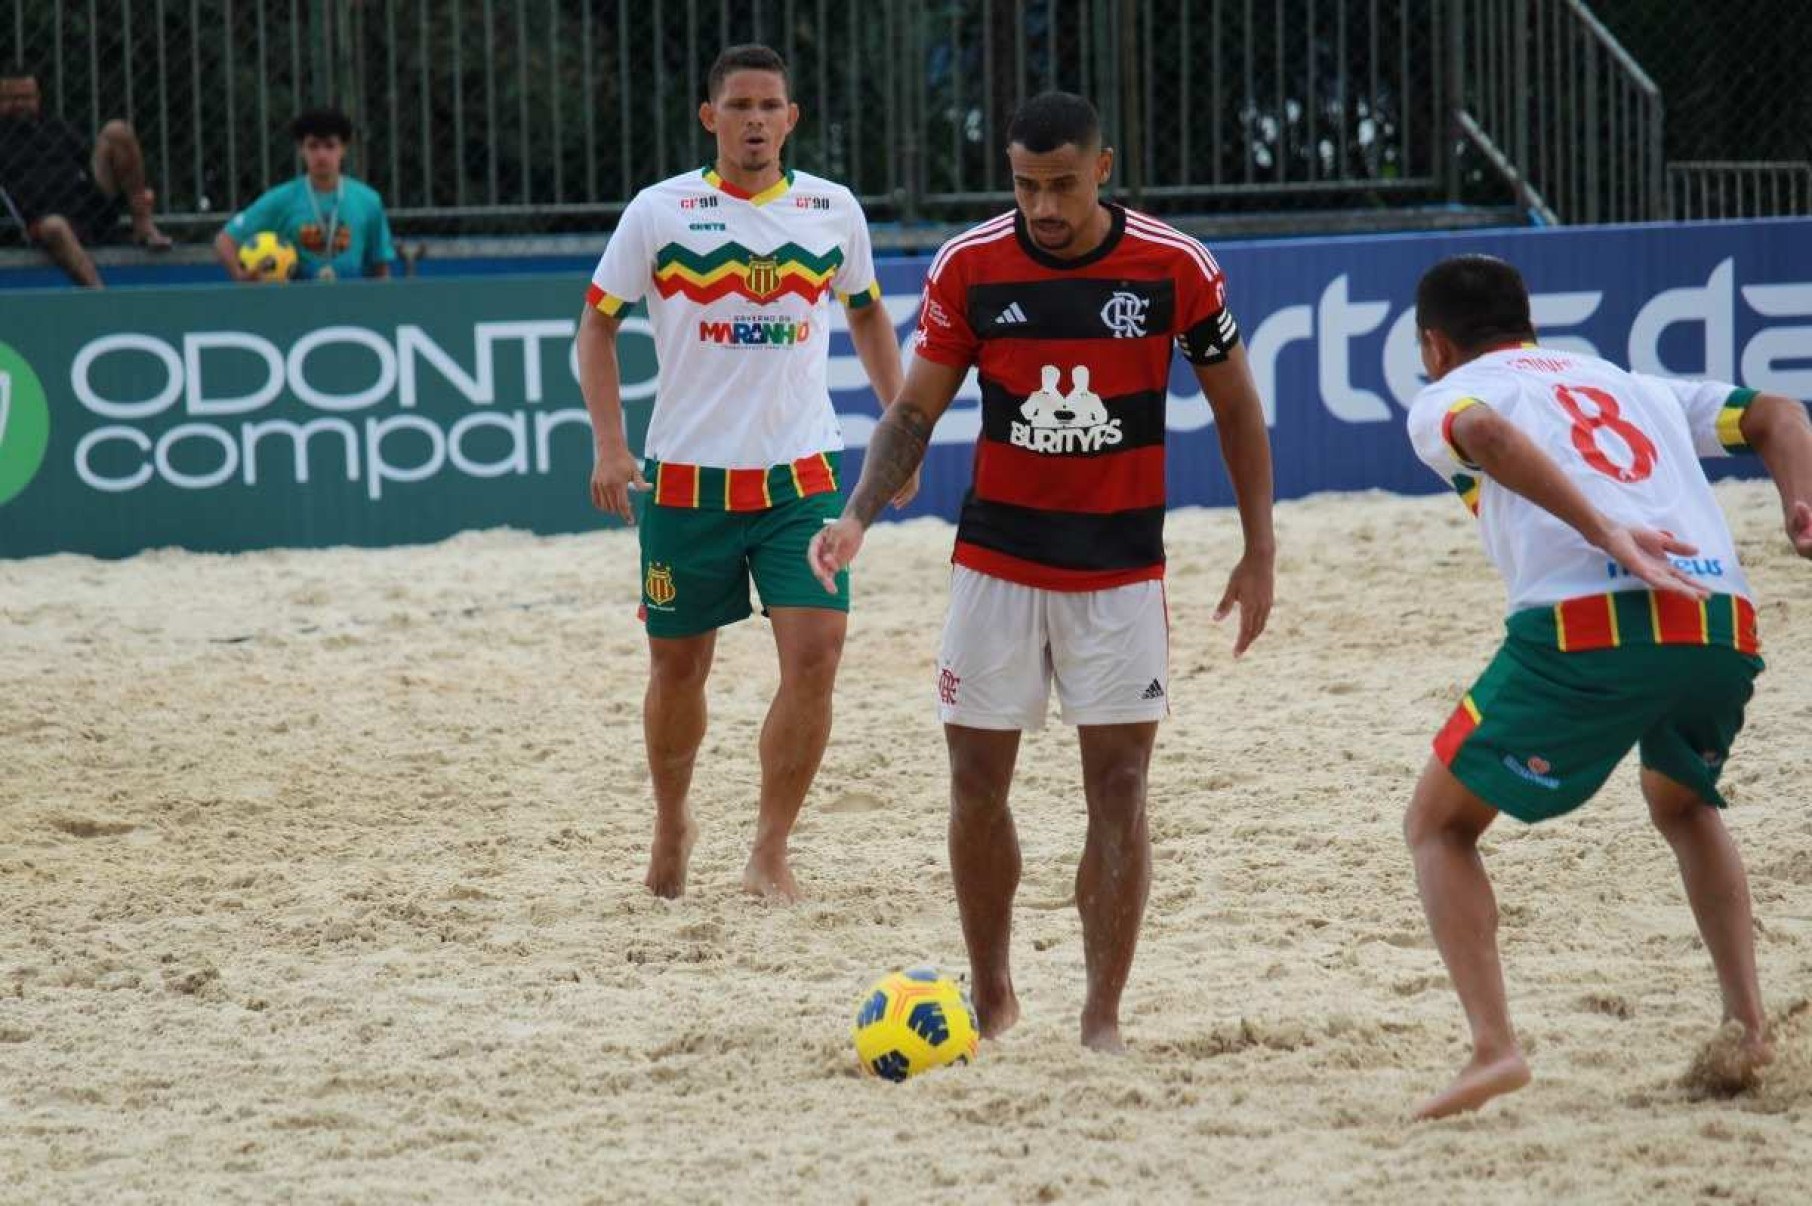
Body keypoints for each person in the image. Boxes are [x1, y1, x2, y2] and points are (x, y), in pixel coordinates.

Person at [809, 91, 1276, 1051]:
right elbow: (912, 412)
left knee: (1120, 791)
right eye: (1026, 186)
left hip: (1119, 572)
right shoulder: (971, 265)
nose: (1045, 207)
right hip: (997, 564)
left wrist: (1258, 547)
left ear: (1104, 169)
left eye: (1063, 184)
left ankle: (1101, 1017)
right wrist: (859, 512)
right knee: (977, 784)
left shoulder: (1173, 266)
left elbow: (1236, 408)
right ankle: (992, 996)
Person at [1401, 254, 1812, 1120]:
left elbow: (1491, 440)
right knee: (1684, 802)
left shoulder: (1449, 395)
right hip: (1719, 625)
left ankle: (1494, 1048)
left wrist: (1607, 530)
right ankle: (1747, 1025)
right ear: (1531, 324)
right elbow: (1779, 412)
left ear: (1434, 345)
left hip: (1589, 630)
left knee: (1438, 825)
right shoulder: (1629, 382)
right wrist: (1801, 502)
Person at [575, 44, 911, 902]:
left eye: (771, 106)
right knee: (679, 671)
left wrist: (900, 427)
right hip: (685, 483)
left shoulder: (832, 211)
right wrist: (611, 445)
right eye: (740, 106)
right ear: (710, 117)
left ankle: (770, 849)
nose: (755, 120)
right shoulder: (660, 211)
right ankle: (672, 820)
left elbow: (871, 318)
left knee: (818, 654)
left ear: (792, 119)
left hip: (800, 479)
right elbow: (597, 327)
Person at [0, 72, 171, 288]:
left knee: (118, 131)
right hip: (42, 220)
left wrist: (134, 192)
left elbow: (89, 159)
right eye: (12, 98)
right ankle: (101, 297)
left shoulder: (54, 127)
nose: (20, 105)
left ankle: (143, 226)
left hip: (86, 205)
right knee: (56, 226)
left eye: (27, 97)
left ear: (38, 98)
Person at [215, 107, 394, 282]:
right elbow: (225, 240)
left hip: (352, 304)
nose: (321, 155)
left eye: (330, 146)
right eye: (313, 146)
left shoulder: (368, 201)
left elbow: (380, 268)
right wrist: (239, 275)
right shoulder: (282, 199)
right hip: (296, 305)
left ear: (343, 149)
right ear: (301, 150)